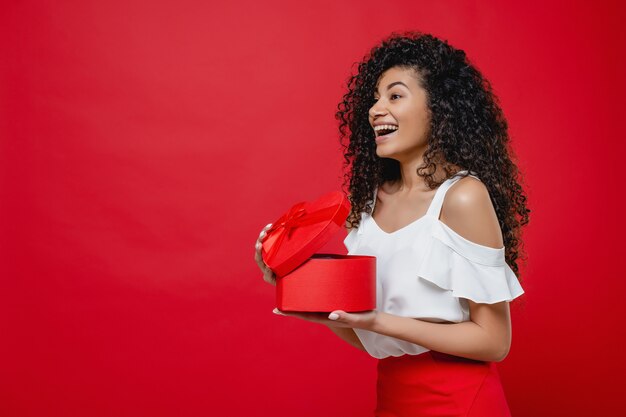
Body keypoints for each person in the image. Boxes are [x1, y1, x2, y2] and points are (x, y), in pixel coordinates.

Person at [254, 31, 530, 417]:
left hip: (460, 402)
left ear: (439, 108)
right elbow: (372, 338)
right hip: (393, 397)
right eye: (375, 98)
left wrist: (382, 321)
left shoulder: (462, 196)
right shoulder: (369, 204)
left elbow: (494, 341)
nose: (375, 109)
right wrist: (302, 294)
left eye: (395, 96)